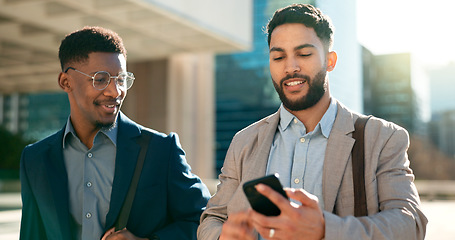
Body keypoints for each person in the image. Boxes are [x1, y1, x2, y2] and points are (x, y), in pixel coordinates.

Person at [198, 4, 427, 240]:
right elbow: (212, 218)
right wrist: (222, 236)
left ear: (330, 61)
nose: (290, 67)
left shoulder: (382, 138)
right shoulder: (244, 141)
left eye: (304, 54)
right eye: (278, 57)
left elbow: (410, 224)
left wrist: (325, 230)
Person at [20, 26, 211, 240]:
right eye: (100, 79)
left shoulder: (161, 150)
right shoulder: (35, 159)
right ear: (66, 82)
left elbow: (205, 220)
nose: (116, 91)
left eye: (121, 79)